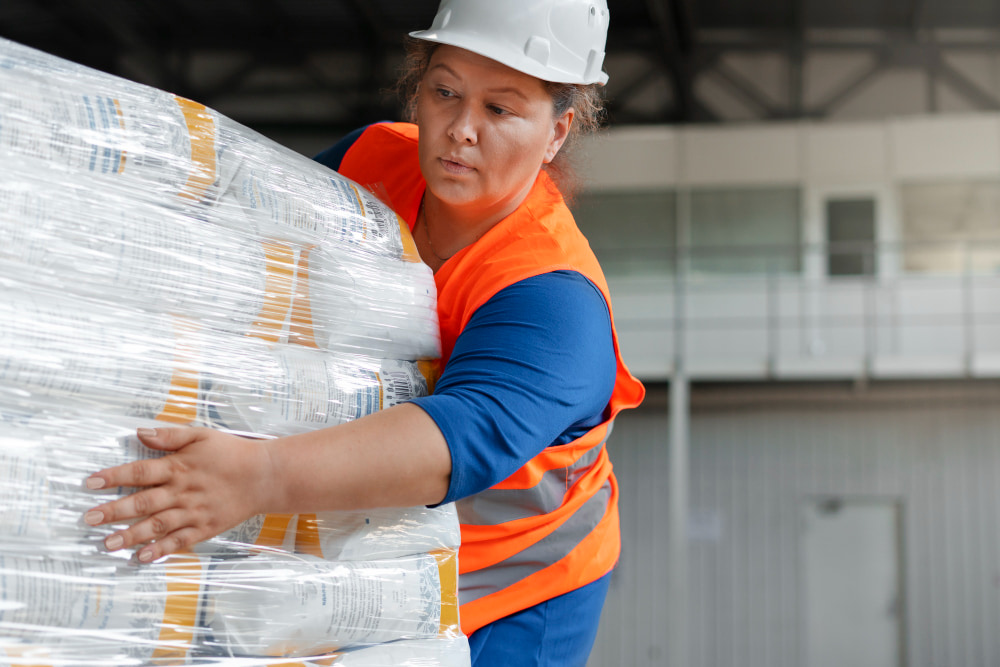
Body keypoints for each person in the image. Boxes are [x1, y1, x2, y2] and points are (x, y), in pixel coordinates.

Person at [84, 1, 645, 664]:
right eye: (444, 92)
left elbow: (454, 439)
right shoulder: (372, 160)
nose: (461, 130)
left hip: (508, 581)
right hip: (365, 541)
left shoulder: (552, 298)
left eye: (499, 109)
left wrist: (258, 475)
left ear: (556, 133)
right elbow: (251, 243)